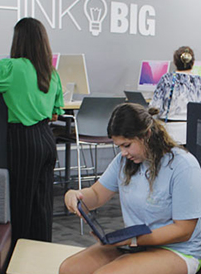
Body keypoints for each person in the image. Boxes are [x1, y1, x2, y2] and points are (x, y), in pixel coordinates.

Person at [60, 103, 201, 274]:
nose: (123, 152)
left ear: (147, 135)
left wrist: (133, 240)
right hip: (135, 244)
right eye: (119, 146)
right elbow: (96, 194)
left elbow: (184, 230)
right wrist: (75, 196)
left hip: (177, 250)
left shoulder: (183, 166)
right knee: (69, 269)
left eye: (127, 145)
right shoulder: (124, 161)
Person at [0, 17, 65, 247]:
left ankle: (17, 261)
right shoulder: (52, 73)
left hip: (23, 140)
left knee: (20, 205)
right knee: (42, 207)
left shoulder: (10, 68)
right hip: (47, 140)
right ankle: (39, 260)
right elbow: (54, 115)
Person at [150, 46, 201, 121]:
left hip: (168, 125)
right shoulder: (198, 80)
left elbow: (155, 107)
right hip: (193, 126)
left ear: (175, 62)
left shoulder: (166, 78)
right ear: (193, 62)